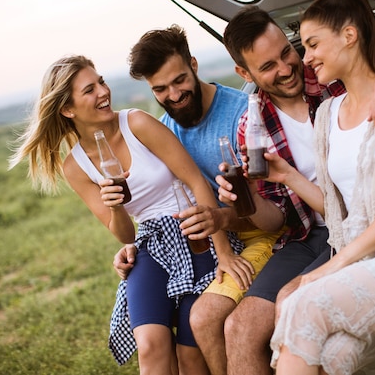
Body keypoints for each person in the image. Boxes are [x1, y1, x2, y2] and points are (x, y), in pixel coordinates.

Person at [215, 5, 375, 375]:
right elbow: (281, 218)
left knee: (296, 301)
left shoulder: (332, 80)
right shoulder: (255, 125)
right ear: (244, 73)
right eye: (268, 66)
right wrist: (250, 199)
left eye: (289, 51)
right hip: (312, 230)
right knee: (240, 327)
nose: (292, 65)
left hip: (371, 235)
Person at [8, 55, 236, 374]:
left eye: (101, 82)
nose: (103, 92)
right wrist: (114, 205)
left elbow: (196, 181)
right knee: (150, 346)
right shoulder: (75, 167)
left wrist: (222, 251)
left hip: (196, 231)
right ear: (68, 109)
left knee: (190, 356)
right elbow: (126, 235)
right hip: (151, 244)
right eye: (90, 89)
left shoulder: (137, 123)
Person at [113, 25, 284, 375]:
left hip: (262, 237)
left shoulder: (241, 116)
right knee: (163, 330)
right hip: (205, 246)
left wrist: (224, 235)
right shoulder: (163, 131)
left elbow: (278, 212)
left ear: (193, 64)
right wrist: (133, 246)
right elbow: (162, 205)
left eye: (179, 81)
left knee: (202, 317)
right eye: (160, 89)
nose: (174, 95)